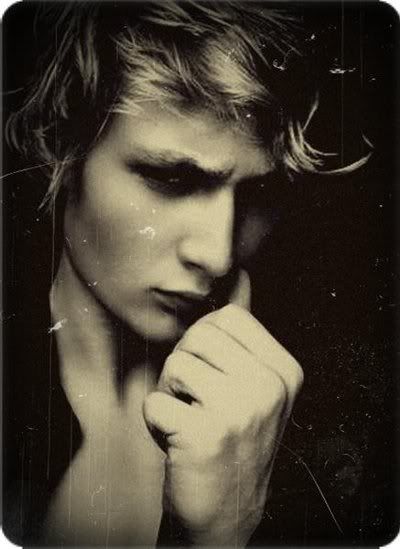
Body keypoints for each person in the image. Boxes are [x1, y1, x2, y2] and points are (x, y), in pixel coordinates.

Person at [3, 1, 397, 547]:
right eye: (171, 179)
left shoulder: (334, 439)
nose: (217, 255)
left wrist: (223, 531)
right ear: (61, 151)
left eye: (257, 193)